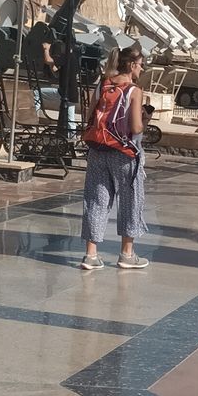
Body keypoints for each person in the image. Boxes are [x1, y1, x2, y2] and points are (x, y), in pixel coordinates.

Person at [79, 46, 148, 271]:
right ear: (131, 65)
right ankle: (127, 254)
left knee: (96, 200)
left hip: (98, 149)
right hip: (124, 154)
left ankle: (90, 255)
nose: (142, 68)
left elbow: (89, 115)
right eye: (141, 65)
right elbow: (136, 128)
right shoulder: (134, 90)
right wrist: (145, 119)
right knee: (130, 200)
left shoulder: (103, 85)